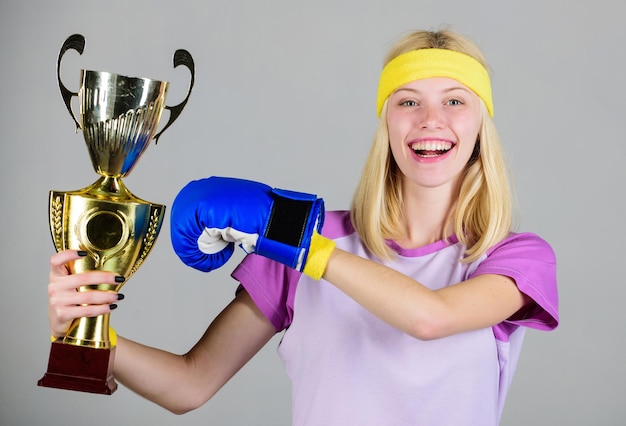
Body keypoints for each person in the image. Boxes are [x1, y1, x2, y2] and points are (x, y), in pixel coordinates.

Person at [47, 29, 559, 425]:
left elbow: (430, 319)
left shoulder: (514, 258)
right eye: (408, 100)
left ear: (479, 124)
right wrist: (90, 336)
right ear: (386, 122)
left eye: (454, 100)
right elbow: (190, 384)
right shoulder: (299, 243)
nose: (430, 119)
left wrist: (307, 249)